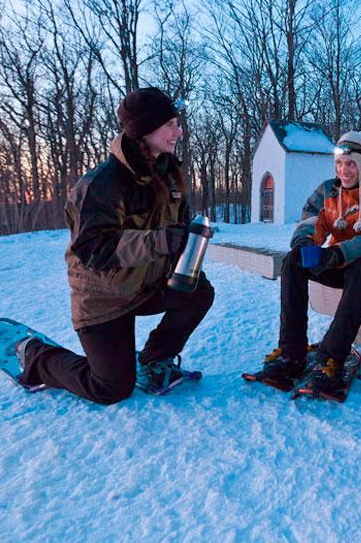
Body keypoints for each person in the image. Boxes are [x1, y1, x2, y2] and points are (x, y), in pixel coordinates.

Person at [14, 87, 214, 404]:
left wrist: (187, 240)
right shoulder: (102, 183)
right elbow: (94, 248)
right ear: (145, 130)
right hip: (103, 297)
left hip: (144, 285)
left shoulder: (170, 174)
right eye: (171, 124)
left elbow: (173, 230)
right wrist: (161, 240)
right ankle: (37, 357)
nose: (179, 131)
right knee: (110, 388)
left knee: (198, 290)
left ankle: (154, 361)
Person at [253, 131, 361, 394]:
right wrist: (304, 243)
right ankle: (292, 352)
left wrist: (336, 253)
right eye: (339, 164)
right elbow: (310, 220)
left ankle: (332, 356)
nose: (344, 171)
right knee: (293, 261)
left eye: (350, 164)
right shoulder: (328, 190)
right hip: (339, 261)